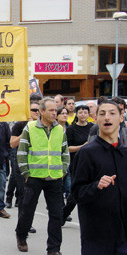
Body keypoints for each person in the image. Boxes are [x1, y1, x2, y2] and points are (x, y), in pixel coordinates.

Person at [71, 101, 127, 255]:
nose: (106, 118)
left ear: (121, 118)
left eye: (112, 113)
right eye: (102, 114)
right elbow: (76, 193)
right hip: (97, 235)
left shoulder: (124, 153)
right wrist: (96, 186)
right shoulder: (87, 153)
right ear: (95, 119)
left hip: (123, 235)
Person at [15, 97, 70, 254]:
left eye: (56, 110)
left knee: (56, 215)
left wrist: (63, 171)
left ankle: (54, 249)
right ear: (41, 112)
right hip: (34, 177)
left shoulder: (60, 129)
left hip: (54, 178)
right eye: (51, 110)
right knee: (27, 211)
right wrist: (26, 173)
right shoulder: (30, 128)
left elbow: (65, 152)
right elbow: (22, 152)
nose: (55, 113)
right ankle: (21, 235)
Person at [6, 101, 40, 233]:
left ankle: (28, 222)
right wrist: (27, 130)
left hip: (37, 164)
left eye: (38, 110)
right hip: (21, 163)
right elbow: (12, 144)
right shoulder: (19, 125)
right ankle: (22, 224)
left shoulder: (44, 126)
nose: (36, 112)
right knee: (24, 194)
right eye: (33, 110)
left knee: (33, 196)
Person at [62, 105, 93, 224]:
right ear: (76, 114)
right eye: (80, 112)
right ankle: (64, 214)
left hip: (91, 162)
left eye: (85, 112)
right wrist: (83, 147)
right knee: (75, 191)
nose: (83, 115)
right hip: (77, 163)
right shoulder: (71, 129)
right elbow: (67, 148)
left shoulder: (93, 127)